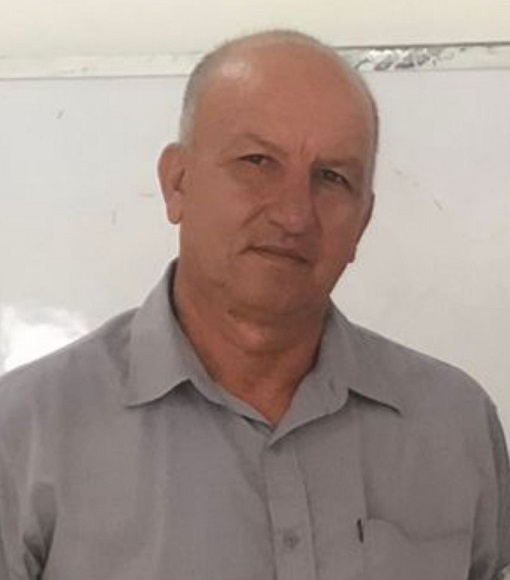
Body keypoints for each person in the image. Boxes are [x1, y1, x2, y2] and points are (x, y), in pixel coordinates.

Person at [0, 30, 508, 580]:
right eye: (258, 161)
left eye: (332, 178)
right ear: (177, 183)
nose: (294, 214)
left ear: (362, 220)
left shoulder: (454, 426)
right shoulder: (25, 433)